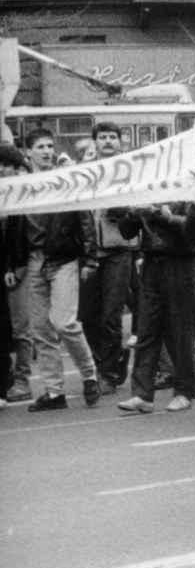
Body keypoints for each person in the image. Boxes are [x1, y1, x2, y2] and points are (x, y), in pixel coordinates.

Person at [16, 129, 100, 411]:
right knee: (41, 330)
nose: (47, 151)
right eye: (40, 146)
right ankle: (54, 392)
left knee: (64, 323)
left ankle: (89, 374)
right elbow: (14, 230)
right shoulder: (20, 184)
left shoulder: (65, 179)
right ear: (28, 152)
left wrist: (90, 259)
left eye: (50, 146)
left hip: (62, 258)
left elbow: (85, 218)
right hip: (34, 260)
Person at [111, 197, 195, 415]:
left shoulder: (184, 190)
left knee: (181, 332)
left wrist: (157, 214)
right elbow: (126, 232)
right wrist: (132, 214)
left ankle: (184, 392)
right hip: (151, 263)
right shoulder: (148, 188)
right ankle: (142, 394)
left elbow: (191, 230)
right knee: (147, 329)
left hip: (180, 263)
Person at [79, 121, 138, 393]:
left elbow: (139, 204)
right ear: (95, 142)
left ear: (120, 142)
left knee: (112, 316)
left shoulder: (128, 171)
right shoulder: (85, 173)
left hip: (118, 250)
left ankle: (110, 374)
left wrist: (122, 206)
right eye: (102, 137)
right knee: (88, 315)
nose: (107, 142)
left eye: (112, 137)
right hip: (89, 253)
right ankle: (106, 361)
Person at [0, 143, 29, 409]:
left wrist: (15, 266)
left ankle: (21, 380)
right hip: (6, 266)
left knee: (20, 327)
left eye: (6, 165)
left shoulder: (23, 193)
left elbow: (21, 236)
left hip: (18, 266)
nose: (1, 170)